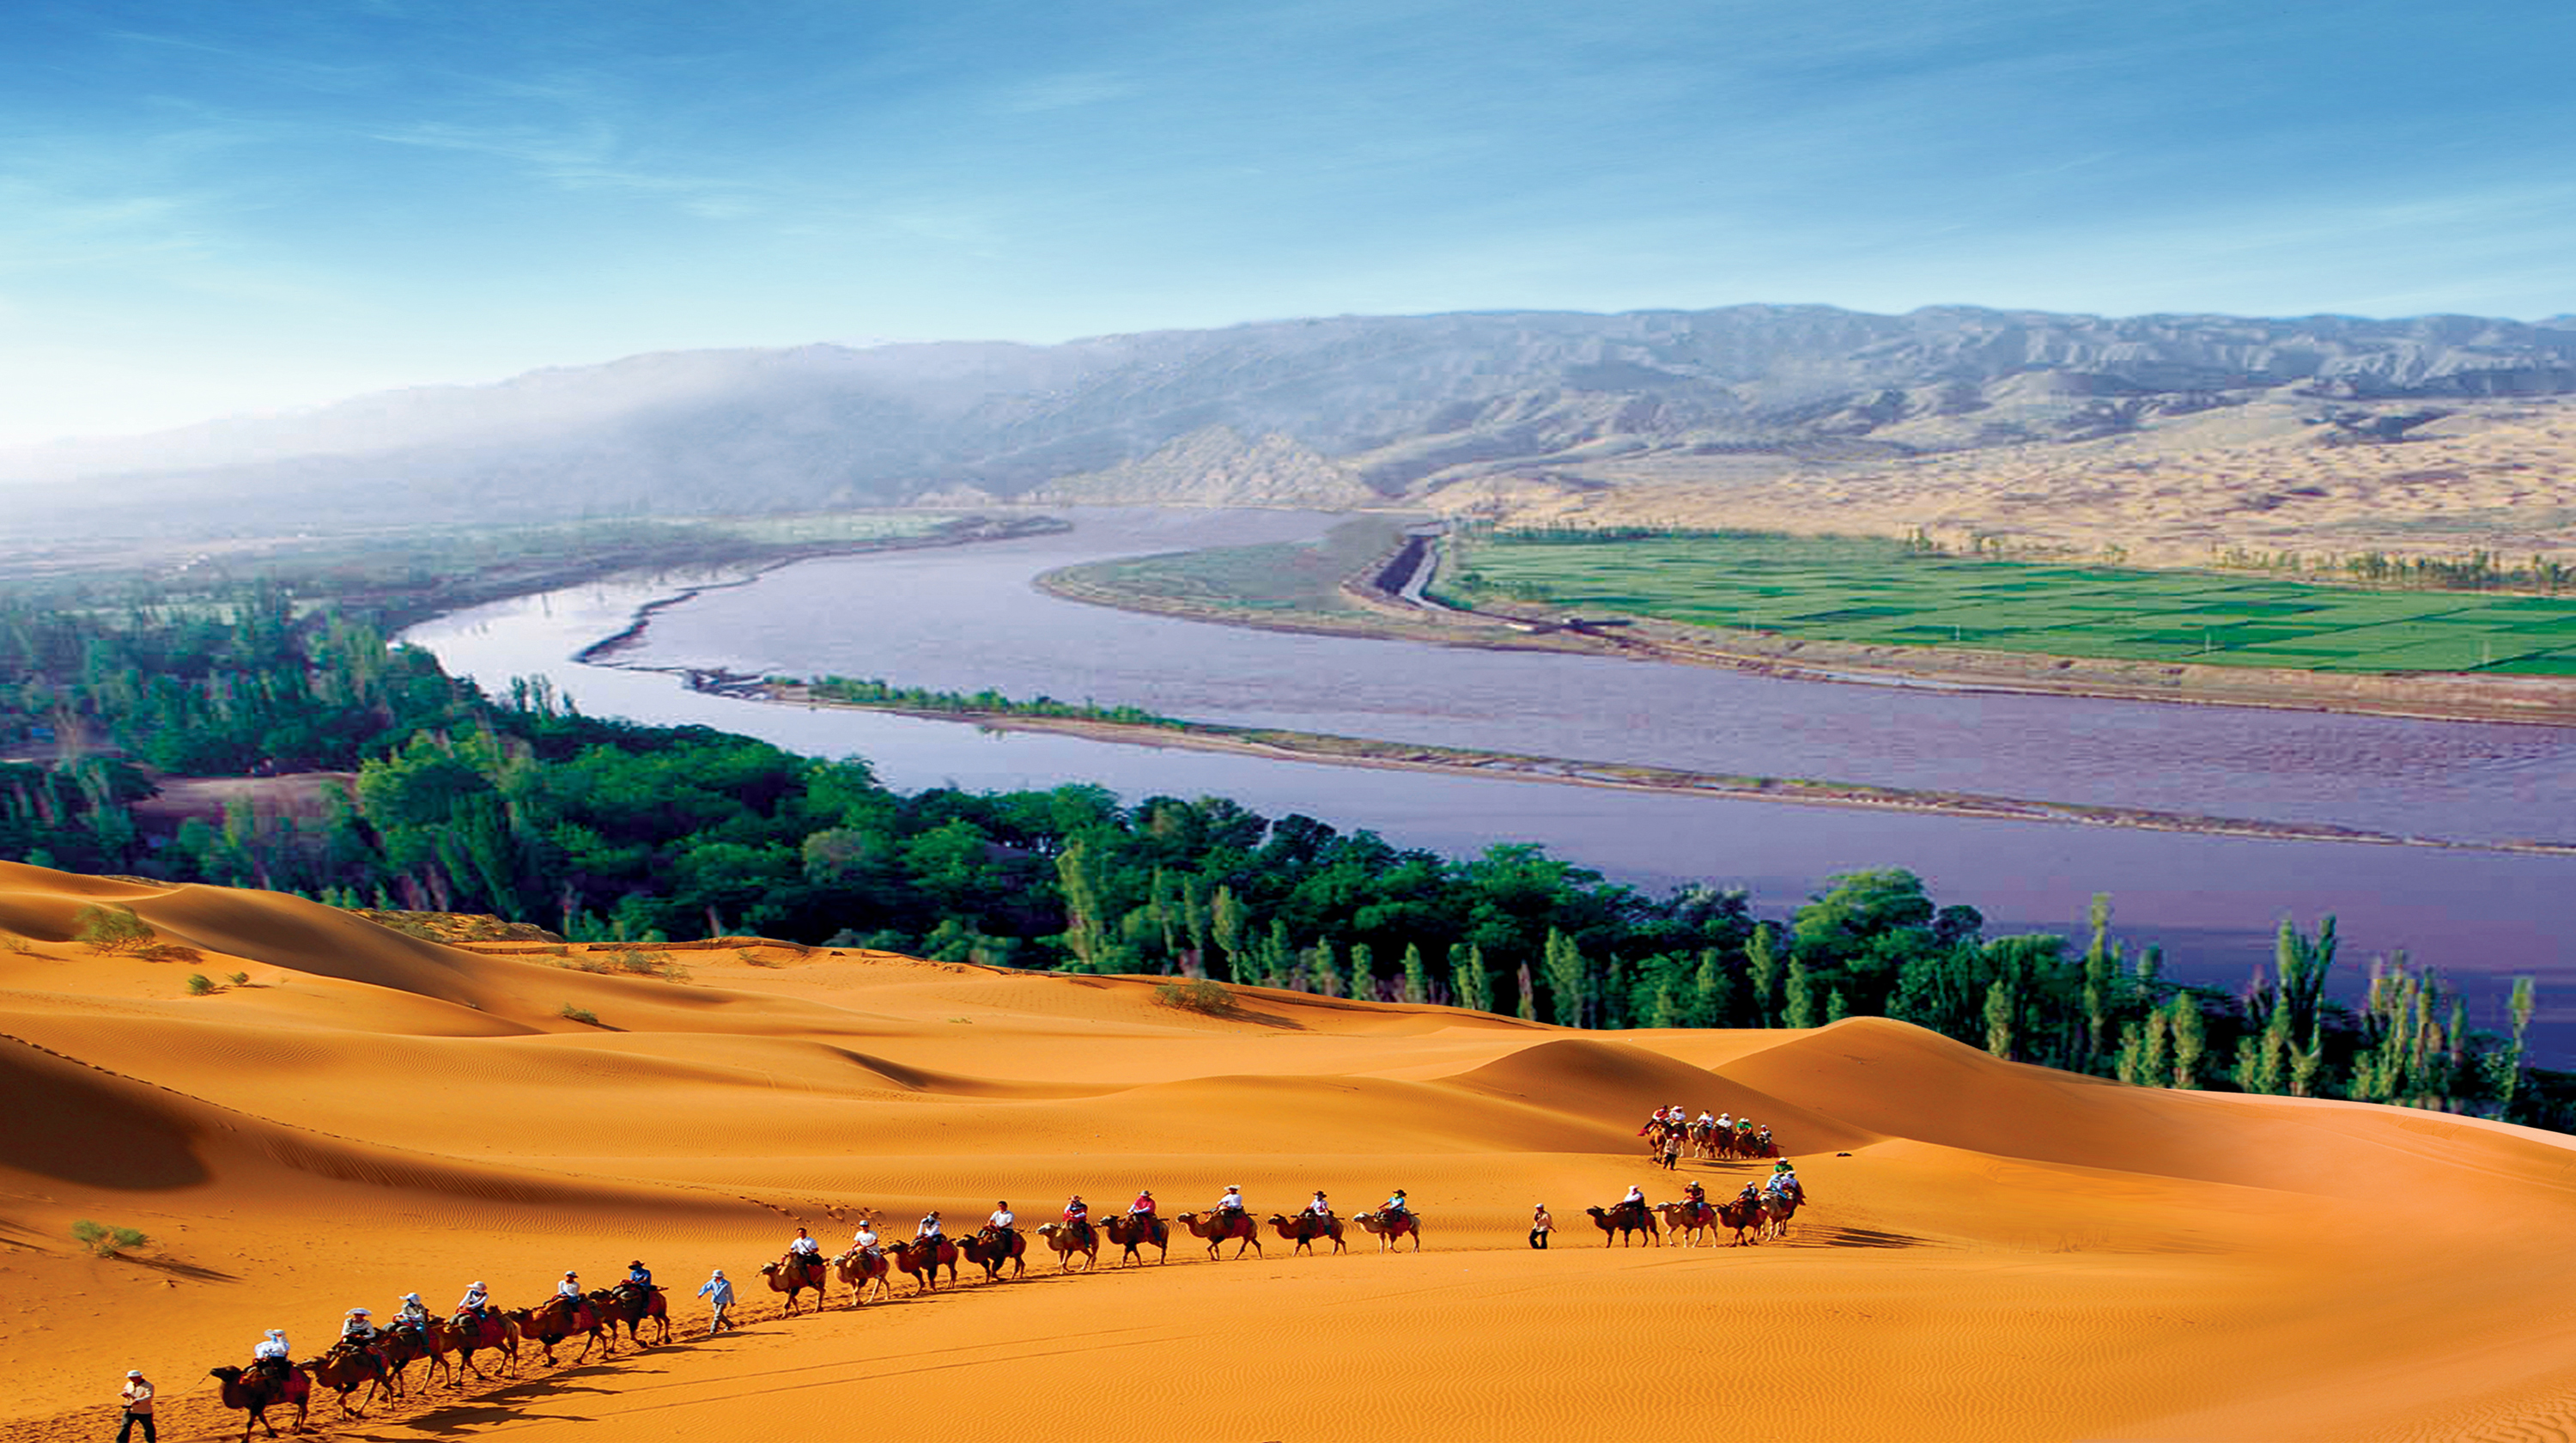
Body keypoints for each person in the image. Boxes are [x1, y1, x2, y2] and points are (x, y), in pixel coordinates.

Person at [118, 1368, 156, 1443]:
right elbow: (125, 1390)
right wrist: (124, 1394)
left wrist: (139, 1400)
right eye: (130, 1378)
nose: (132, 1379)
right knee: (125, 1426)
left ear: (140, 1377)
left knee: (148, 1428)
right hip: (130, 1410)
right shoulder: (129, 1384)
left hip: (144, 1411)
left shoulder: (148, 1386)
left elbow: (149, 1395)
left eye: (134, 1378)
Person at [696, 1269, 735, 1333]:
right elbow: (705, 1287)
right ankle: (729, 1324)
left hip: (723, 1301)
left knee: (717, 1316)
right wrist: (700, 1294)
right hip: (715, 1300)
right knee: (719, 1315)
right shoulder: (712, 1282)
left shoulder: (727, 1283)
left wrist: (732, 1302)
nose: (717, 1278)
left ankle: (713, 1330)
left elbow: (730, 1293)